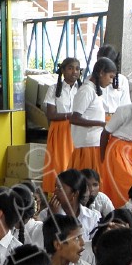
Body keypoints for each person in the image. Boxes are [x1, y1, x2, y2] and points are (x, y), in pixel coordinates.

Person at [68, 58, 114, 171]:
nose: (111, 81)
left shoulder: (93, 90)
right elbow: (74, 119)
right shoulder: (86, 91)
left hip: (94, 144)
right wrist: (101, 123)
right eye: (111, 77)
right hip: (87, 146)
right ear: (101, 73)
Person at [42, 58, 80, 193]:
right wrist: (68, 116)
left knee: (75, 162)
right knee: (59, 163)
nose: (74, 72)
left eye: (77, 69)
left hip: (77, 130)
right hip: (60, 131)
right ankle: (56, 192)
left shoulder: (82, 90)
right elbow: (51, 114)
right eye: (70, 68)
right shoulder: (53, 89)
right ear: (63, 70)